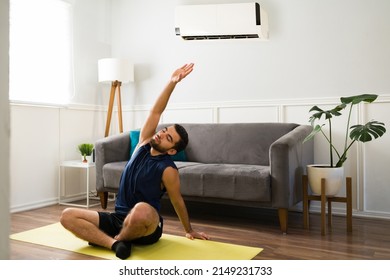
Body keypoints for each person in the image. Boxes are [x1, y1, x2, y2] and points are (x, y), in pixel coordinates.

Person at [60, 63, 209, 260]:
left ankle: (119, 238)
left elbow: (177, 200)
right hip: (118, 218)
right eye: (164, 131)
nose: (161, 135)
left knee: (140, 210)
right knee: (67, 215)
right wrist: (172, 82)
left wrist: (189, 230)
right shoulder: (143, 144)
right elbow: (156, 112)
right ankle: (115, 244)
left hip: (147, 224)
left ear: (172, 150)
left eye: (168, 138)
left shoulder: (168, 169)